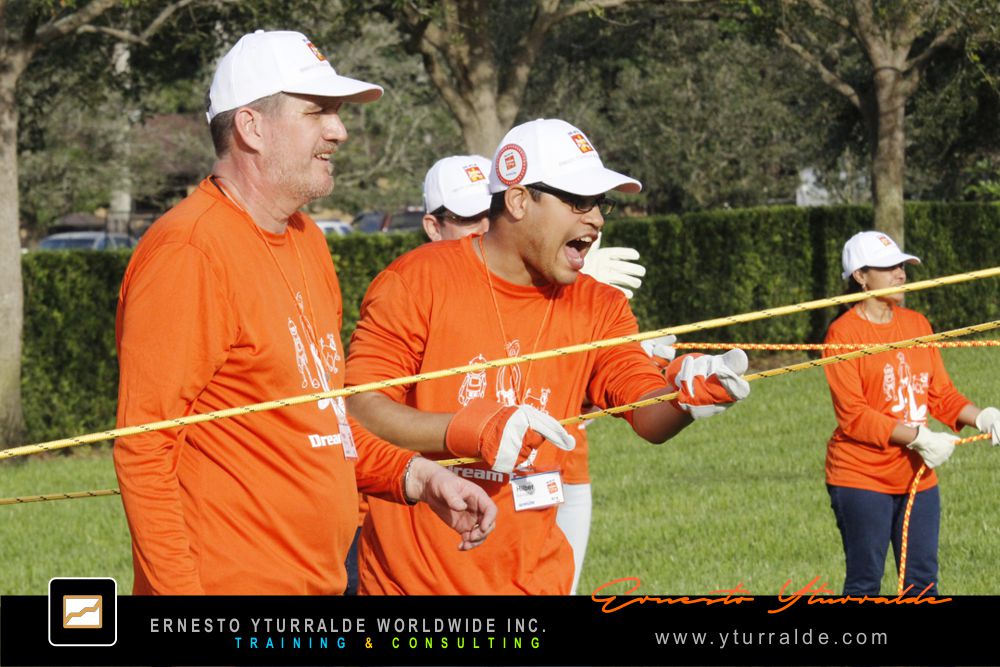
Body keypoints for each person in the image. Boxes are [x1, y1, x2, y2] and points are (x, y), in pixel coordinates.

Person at [113, 29, 495, 595]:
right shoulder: (189, 251)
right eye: (318, 111)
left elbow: (324, 422)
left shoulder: (307, 238)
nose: (338, 131)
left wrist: (418, 475)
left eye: (337, 113)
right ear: (251, 127)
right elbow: (144, 451)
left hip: (324, 581)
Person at [344, 118, 749, 595]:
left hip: (538, 582)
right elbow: (358, 408)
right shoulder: (417, 280)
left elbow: (646, 411)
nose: (597, 219)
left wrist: (687, 399)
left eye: (601, 204)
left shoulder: (600, 304)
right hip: (411, 586)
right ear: (518, 199)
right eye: (578, 201)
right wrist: (473, 429)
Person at [414, 152, 667, 594]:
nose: (481, 227)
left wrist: (651, 379)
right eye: (466, 216)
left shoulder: (573, 292)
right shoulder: (419, 288)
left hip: (552, 483)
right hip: (436, 519)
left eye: (484, 213)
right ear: (433, 226)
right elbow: (371, 417)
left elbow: (597, 391)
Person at [822, 230, 1000, 595]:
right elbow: (853, 416)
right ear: (861, 276)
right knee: (865, 583)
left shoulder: (917, 325)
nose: (901, 273)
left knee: (922, 583)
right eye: (888, 267)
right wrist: (918, 436)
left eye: (902, 265)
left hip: (918, 476)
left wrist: (983, 417)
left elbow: (941, 395)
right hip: (861, 477)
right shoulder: (842, 335)